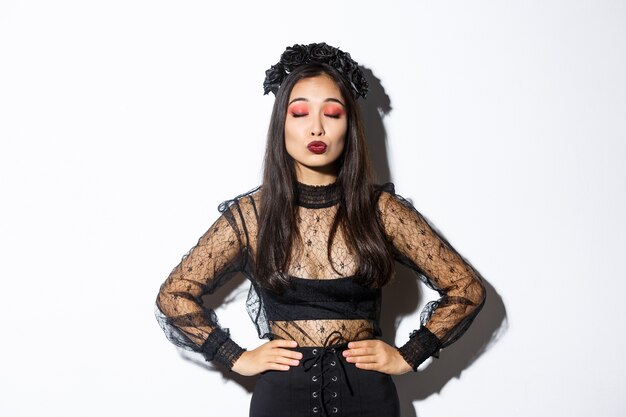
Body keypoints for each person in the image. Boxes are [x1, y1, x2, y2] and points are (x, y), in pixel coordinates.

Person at [154, 42, 486, 417]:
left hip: (368, 399)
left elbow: (467, 289)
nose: (316, 127)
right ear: (281, 124)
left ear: (350, 125)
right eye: (299, 113)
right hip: (281, 399)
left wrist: (410, 354)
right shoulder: (252, 215)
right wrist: (234, 356)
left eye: (332, 113)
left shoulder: (381, 211)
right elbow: (175, 294)